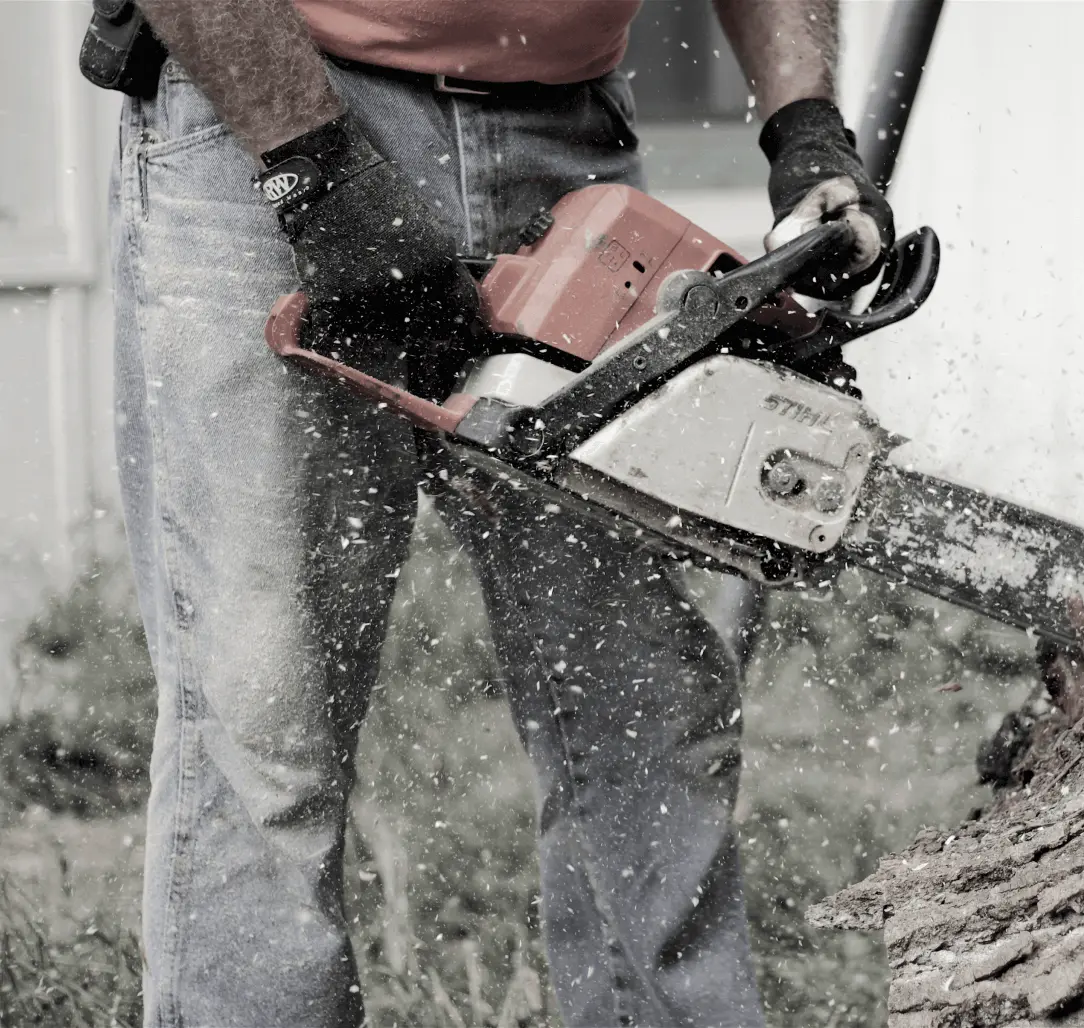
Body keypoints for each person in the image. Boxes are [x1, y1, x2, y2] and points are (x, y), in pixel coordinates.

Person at [107, 1, 893, 1024]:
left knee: (640, 706)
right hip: (274, 105)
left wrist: (807, 127)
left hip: (567, 141)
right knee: (264, 725)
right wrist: (312, 163)